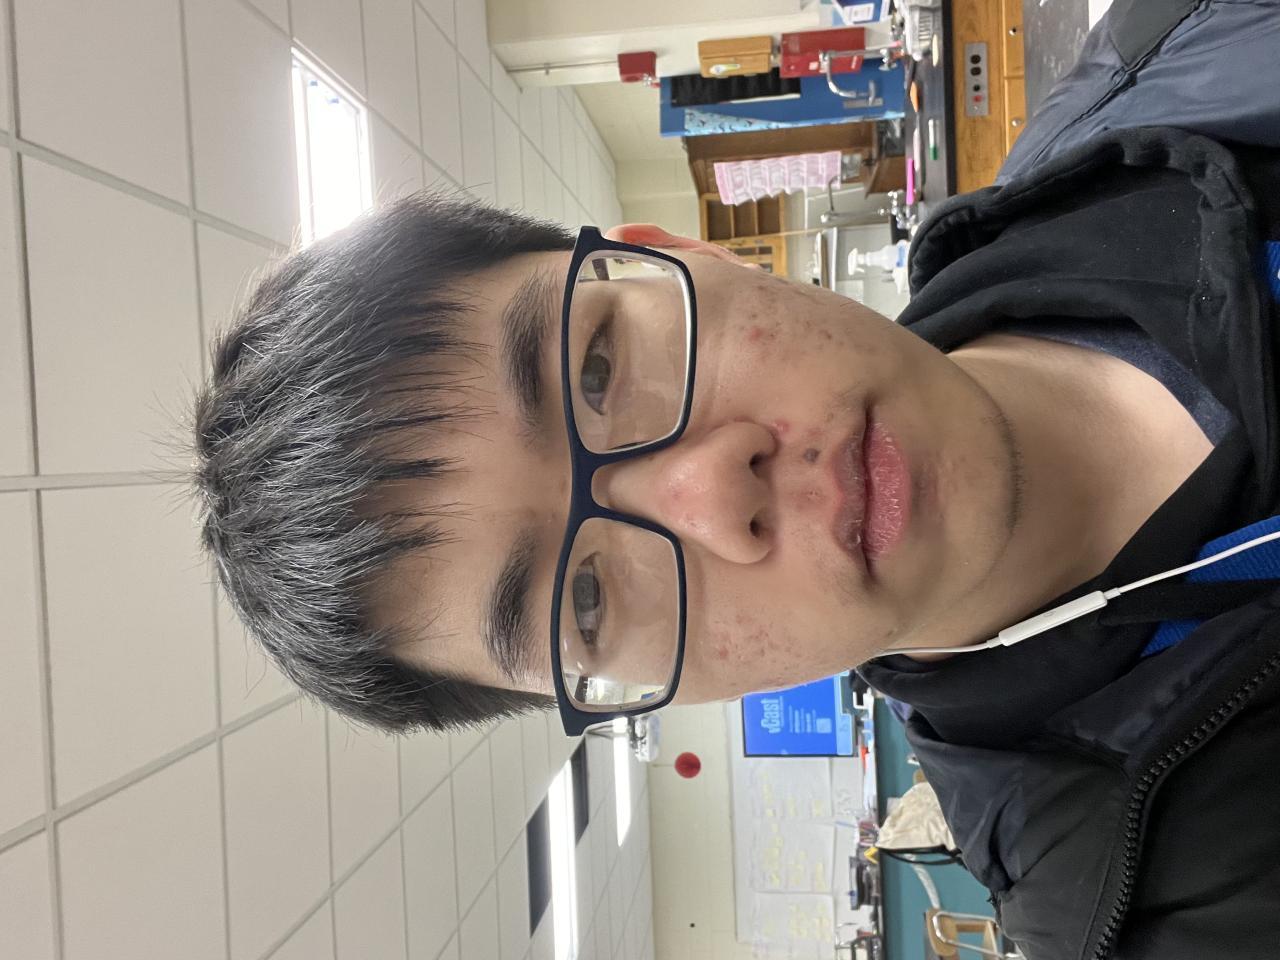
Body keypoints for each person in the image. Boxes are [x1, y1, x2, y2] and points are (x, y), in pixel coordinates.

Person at [192, 0, 1280, 957]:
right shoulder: (1175, 916)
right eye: (585, 599)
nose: (715, 496)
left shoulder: (1188, 46)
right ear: (663, 702)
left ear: (682, 251)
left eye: (597, 370)